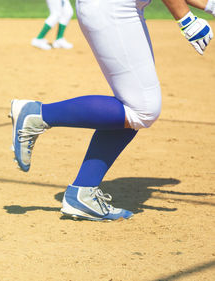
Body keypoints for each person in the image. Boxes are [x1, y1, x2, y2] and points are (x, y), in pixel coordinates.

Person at [11, 0, 213, 221]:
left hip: (121, 8)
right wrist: (186, 19)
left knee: (133, 105)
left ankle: (83, 192)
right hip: (113, 8)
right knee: (143, 109)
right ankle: (39, 115)